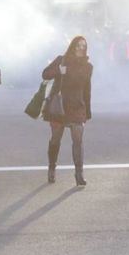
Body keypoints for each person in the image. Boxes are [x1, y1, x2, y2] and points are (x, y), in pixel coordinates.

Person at [42, 36, 93, 187]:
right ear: (73, 46)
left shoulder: (88, 67)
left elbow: (87, 90)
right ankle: (52, 168)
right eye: (78, 45)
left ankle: (79, 174)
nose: (80, 48)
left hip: (78, 107)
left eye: (83, 46)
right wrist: (58, 70)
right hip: (60, 108)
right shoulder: (61, 60)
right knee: (55, 140)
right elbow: (45, 74)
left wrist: (88, 112)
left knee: (78, 141)